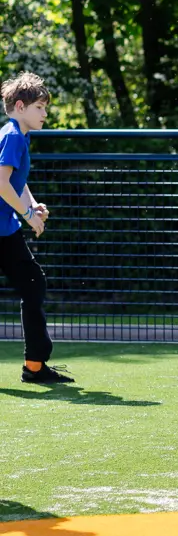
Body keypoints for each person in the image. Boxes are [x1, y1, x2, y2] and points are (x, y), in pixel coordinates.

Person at [0, 72, 72, 384]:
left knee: (32, 284)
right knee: (33, 284)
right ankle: (35, 366)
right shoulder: (12, 135)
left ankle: (35, 366)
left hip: (5, 230)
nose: (45, 114)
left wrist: (32, 205)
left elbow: (17, 180)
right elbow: (1, 184)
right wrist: (29, 215)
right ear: (20, 106)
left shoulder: (19, 134)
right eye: (40, 107)